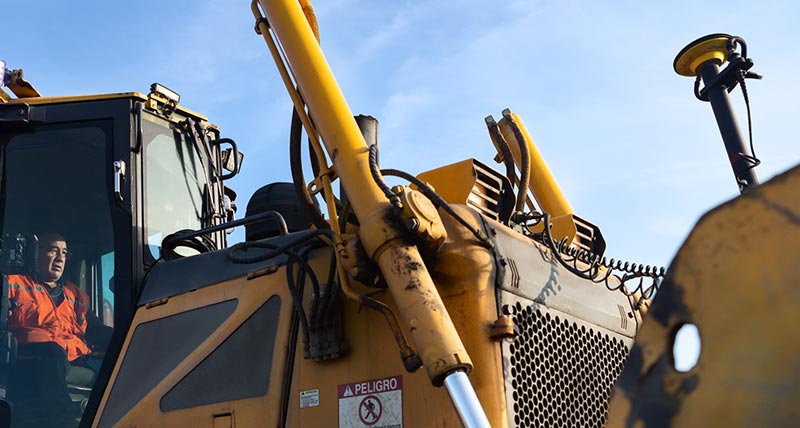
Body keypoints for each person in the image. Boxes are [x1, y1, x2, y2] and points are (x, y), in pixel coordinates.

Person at [6, 232, 110, 428]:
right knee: (52, 351)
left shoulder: (76, 294)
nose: (60, 258)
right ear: (35, 253)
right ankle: (62, 421)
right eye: (53, 250)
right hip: (26, 358)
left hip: (71, 360)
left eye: (64, 252)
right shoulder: (13, 284)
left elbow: (95, 330)